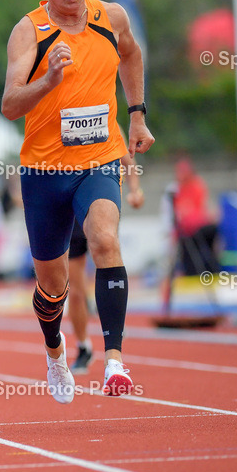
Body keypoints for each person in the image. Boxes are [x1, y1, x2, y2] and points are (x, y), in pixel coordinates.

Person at [1, 0, 155, 403]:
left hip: (99, 158)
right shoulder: (29, 31)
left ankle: (115, 362)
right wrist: (48, 79)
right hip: (45, 172)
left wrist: (136, 114)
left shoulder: (110, 17)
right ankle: (54, 352)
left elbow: (131, 53)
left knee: (105, 239)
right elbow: (9, 105)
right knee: (53, 287)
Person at [68, 153, 144, 373]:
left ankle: (113, 330)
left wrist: (135, 190)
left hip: (100, 200)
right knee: (75, 290)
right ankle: (84, 346)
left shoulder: (107, 120)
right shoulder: (55, 118)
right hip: (70, 208)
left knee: (107, 254)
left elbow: (127, 159)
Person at [171, 156, 221, 275]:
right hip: (188, 228)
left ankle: (209, 269)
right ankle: (194, 270)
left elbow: (201, 207)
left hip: (197, 226)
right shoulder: (178, 189)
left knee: (202, 240)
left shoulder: (196, 185)